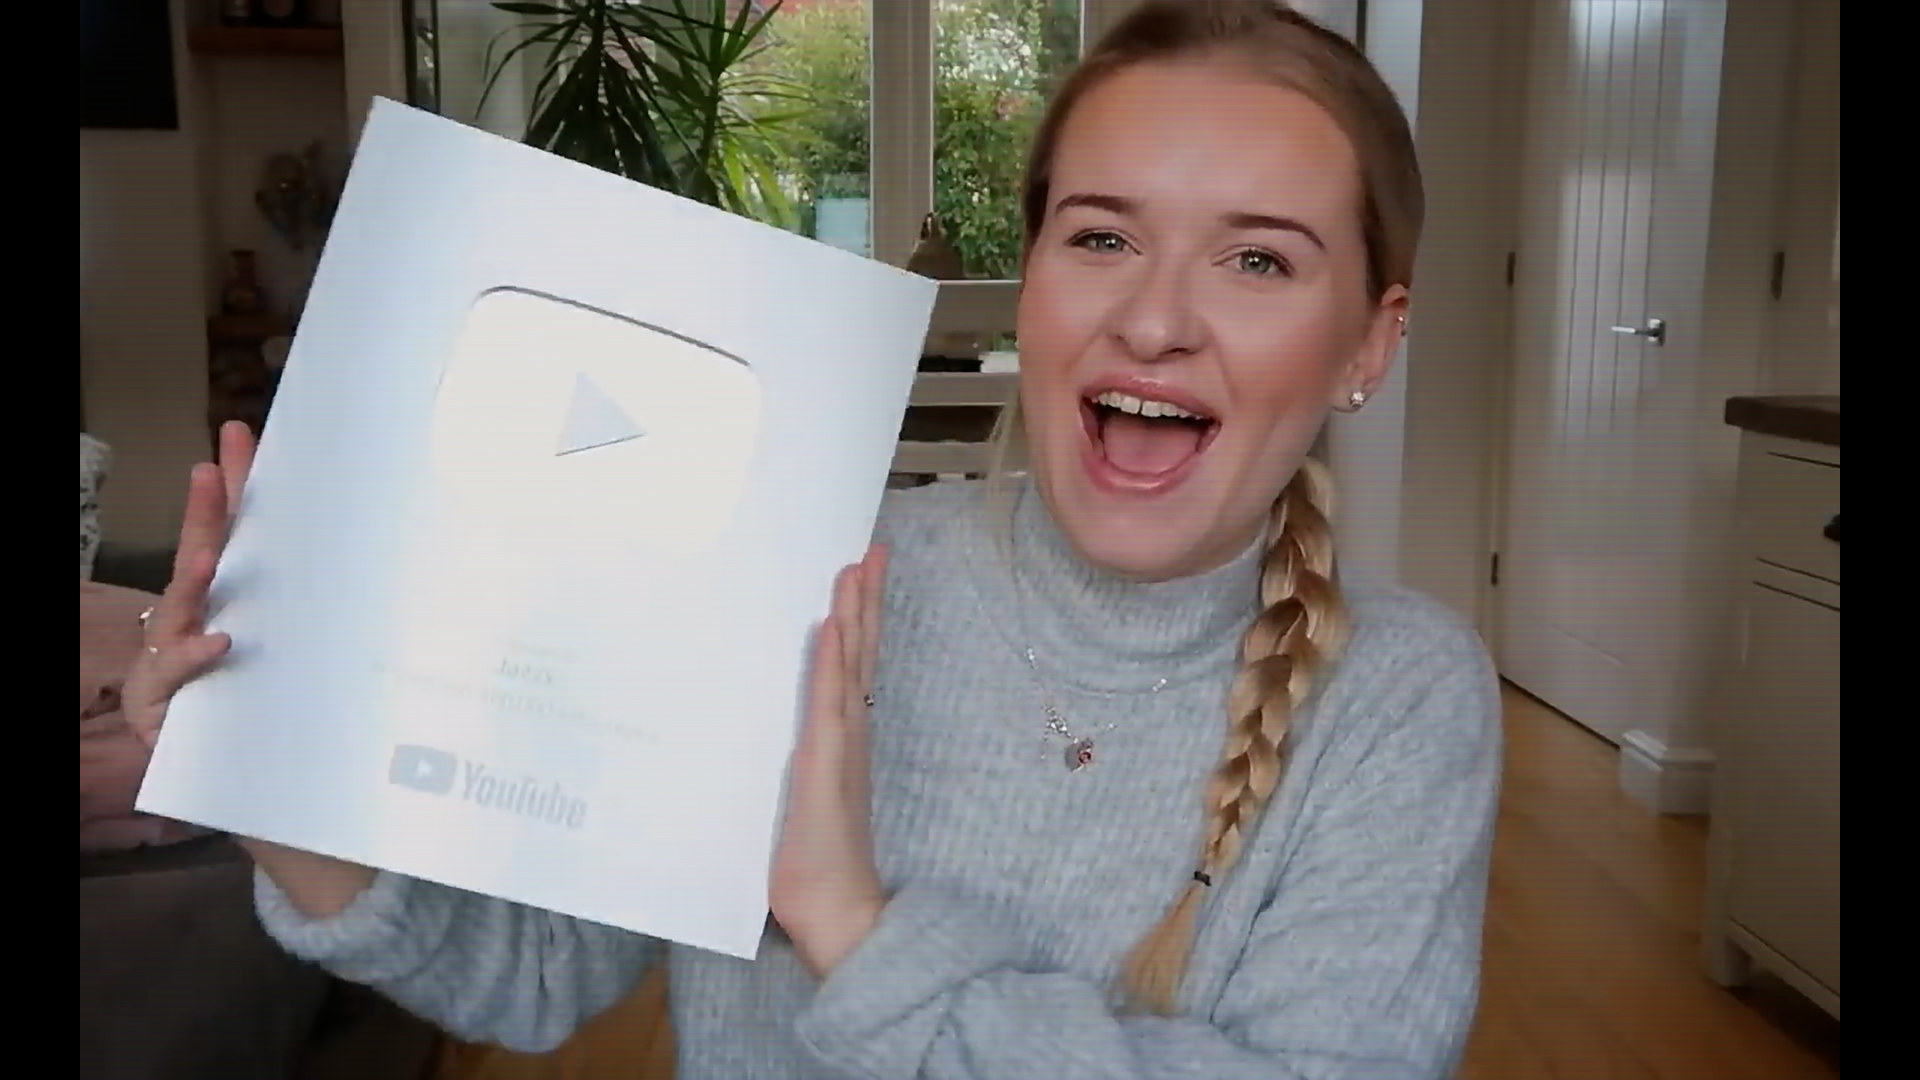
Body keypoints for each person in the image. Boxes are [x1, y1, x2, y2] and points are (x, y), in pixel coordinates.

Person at [123, 3, 1502, 1077]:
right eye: (1100, 238)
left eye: (1257, 259)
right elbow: (533, 972)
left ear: (1368, 341)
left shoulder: (1401, 700)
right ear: (1031, 281)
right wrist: (265, 766)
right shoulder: (810, 572)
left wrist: (855, 927)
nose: (1154, 319)